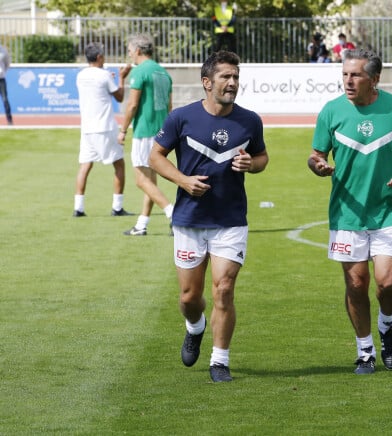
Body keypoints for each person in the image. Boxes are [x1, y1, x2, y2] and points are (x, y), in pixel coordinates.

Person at [149, 50, 269, 383]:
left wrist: (252, 165)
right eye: (225, 77)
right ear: (207, 82)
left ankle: (220, 361)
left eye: (235, 77)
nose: (232, 83)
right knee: (190, 298)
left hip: (230, 219)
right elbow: (155, 157)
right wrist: (183, 180)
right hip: (189, 219)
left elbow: (261, 157)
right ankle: (195, 326)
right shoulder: (181, 118)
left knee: (223, 290)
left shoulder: (249, 121)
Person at [307, 49, 392, 375]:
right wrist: (318, 165)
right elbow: (316, 154)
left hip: (388, 209)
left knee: (387, 283)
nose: (348, 81)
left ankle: (387, 325)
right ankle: (365, 351)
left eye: (355, 75)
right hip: (347, 212)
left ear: (374, 79)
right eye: (345, 74)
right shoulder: (332, 111)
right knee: (356, 284)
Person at [118, 33, 174, 236]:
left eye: (130, 51)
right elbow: (169, 106)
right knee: (151, 181)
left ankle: (172, 213)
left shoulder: (140, 71)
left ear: (139, 51)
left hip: (144, 131)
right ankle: (141, 225)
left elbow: (132, 104)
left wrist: (123, 130)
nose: (130, 55)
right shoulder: (163, 72)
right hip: (161, 132)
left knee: (141, 181)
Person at [74, 42, 132, 217]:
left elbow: (99, 86)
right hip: (105, 127)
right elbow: (120, 97)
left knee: (85, 166)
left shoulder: (81, 75)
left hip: (87, 129)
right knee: (119, 164)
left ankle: (79, 207)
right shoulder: (104, 75)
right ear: (99, 57)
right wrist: (121, 78)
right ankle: (117, 207)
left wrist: (110, 78)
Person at [0, 43, 13, 125]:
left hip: (1, 79)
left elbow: (7, 63)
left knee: (5, 99)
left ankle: (9, 120)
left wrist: (3, 72)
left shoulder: (3, 51)